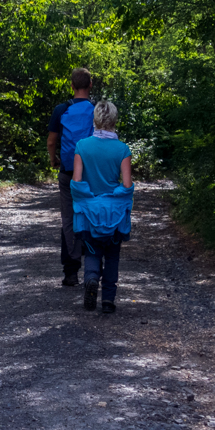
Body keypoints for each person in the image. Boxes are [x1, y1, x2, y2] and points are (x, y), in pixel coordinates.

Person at [70, 101, 134, 313]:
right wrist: (111, 197)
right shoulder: (122, 149)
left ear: (95, 120)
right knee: (113, 254)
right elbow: (126, 186)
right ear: (114, 120)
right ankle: (108, 300)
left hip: (89, 213)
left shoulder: (82, 146)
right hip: (114, 214)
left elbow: (77, 182)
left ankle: (90, 279)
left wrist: (90, 200)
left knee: (92, 252)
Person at [46, 68, 94, 286]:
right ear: (90, 85)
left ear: (72, 86)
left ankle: (71, 272)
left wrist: (53, 160)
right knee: (92, 215)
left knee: (68, 218)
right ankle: (94, 268)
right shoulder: (98, 110)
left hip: (67, 172)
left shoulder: (61, 109)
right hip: (92, 173)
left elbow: (51, 141)